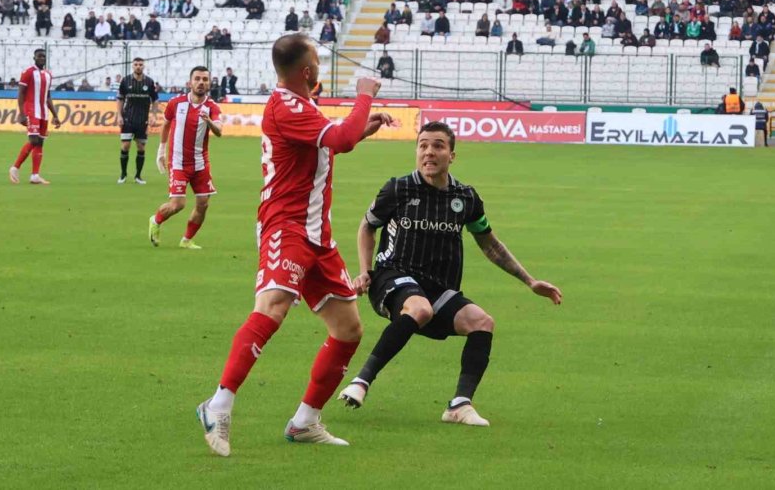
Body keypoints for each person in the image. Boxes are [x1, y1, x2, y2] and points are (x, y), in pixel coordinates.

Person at [194, 36, 396, 455]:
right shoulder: (286, 106)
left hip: (317, 236)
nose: (320, 66)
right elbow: (337, 139)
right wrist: (363, 97)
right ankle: (218, 405)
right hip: (285, 227)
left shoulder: (300, 105)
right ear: (307, 70)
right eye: (316, 60)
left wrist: (363, 126)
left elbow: (335, 141)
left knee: (348, 329)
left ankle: (305, 422)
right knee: (273, 308)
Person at [337, 121, 562, 425]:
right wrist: (364, 271)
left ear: (452, 155)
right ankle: (361, 381)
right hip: (392, 278)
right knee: (419, 307)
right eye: (423, 145)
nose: (429, 152)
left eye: (438, 146)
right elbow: (368, 226)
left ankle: (459, 405)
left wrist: (530, 280)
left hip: (439, 289)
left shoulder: (465, 198)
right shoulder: (398, 188)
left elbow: (490, 245)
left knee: (482, 322)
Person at [149, 66, 222, 249]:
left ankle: (187, 240)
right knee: (177, 205)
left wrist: (209, 121)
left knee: (203, 203)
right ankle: (156, 220)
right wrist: (161, 151)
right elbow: (165, 124)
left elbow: (219, 131)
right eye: (197, 79)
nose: (201, 82)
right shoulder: (176, 103)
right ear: (190, 82)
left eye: (205, 79)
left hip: (200, 163)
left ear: (209, 83)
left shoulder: (212, 107)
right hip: (178, 162)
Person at [9, 49, 60, 185]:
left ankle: (35, 175)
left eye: (44, 56)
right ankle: (15, 167)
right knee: (33, 140)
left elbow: (48, 97)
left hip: (44, 112)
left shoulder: (48, 74)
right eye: (39, 56)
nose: (42, 58)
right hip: (31, 110)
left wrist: (55, 115)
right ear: (34, 58)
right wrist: (21, 112)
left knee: (40, 142)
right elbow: (21, 93)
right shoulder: (28, 72)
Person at [116, 58, 158, 184]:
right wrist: (119, 115)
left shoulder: (149, 82)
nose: (138, 67)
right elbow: (120, 98)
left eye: (140, 64)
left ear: (144, 66)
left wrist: (154, 115)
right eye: (136, 64)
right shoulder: (125, 80)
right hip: (128, 118)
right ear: (132, 66)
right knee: (125, 145)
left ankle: (138, 176)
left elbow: (155, 100)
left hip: (142, 119)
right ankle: (123, 174)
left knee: (141, 147)